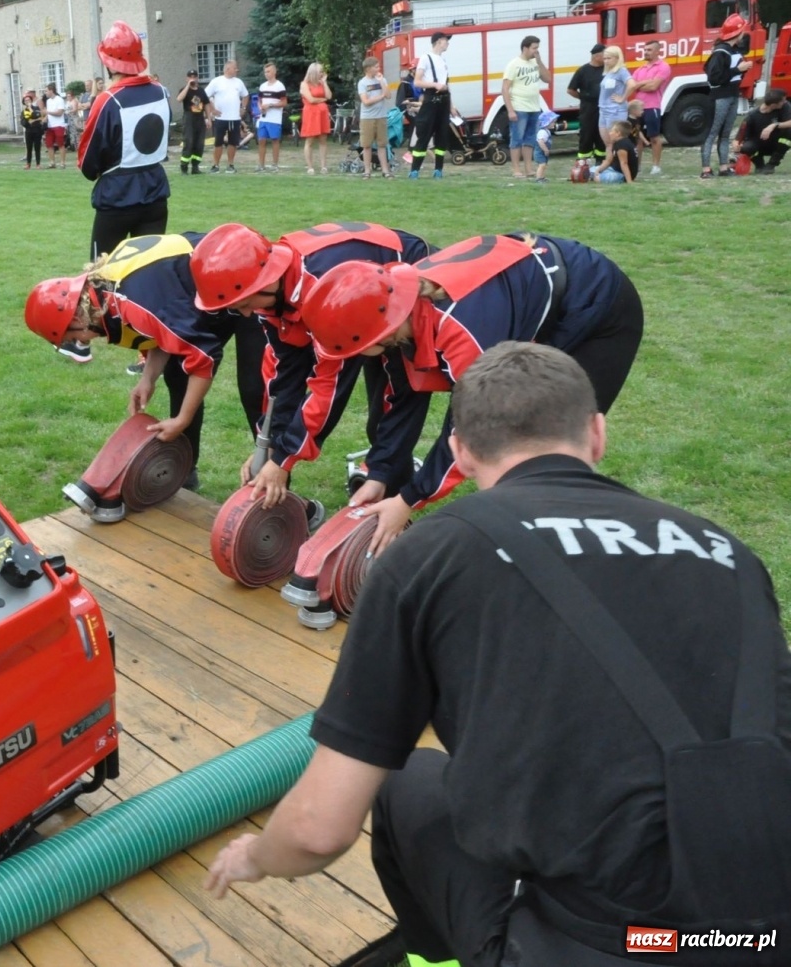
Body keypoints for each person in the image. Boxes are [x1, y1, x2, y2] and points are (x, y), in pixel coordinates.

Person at [206, 340, 791, 967]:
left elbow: (319, 829)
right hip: (764, 928)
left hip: (613, 944)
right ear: (597, 434)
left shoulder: (433, 555)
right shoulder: (727, 552)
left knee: (407, 783)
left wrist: (256, 856)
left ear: (458, 449)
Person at [298, 233, 644, 551]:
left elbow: (473, 428)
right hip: (540, 294)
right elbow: (401, 401)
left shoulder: (459, 328)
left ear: (377, 336)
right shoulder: (402, 306)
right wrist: (382, 474)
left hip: (597, 306)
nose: (355, 360)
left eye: (355, 351)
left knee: (550, 443)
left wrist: (408, 500)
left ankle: (563, 547)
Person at [189, 221, 431, 506]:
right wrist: (268, 444)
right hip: (361, 293)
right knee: (377, 418)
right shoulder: (274, 295)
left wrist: (283, 458)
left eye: (243, 304)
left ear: (265, 282)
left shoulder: (318, 287)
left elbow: (330, 386)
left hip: (403, 295)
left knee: (389, 410)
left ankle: (392, 508)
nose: (244, 315)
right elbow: (284, 373)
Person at [24, 230, 268, 489]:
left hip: (248, 279)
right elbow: (162, 330)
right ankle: (184, 471)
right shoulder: (103, 290)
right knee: (177, 375)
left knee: (257, 389)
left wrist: (183, 419)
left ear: (76, 317)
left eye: (72, 337)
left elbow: (203, 356)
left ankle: (273, 483)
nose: (80, 342)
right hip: (203, 290)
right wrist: (148, 379)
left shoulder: (131, 302)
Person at [78, 22, 172, 260]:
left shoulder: (107, 100)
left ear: (109, 63)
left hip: (117, 197)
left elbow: (88, 159)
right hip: (156, 192)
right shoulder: (161, 91)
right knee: (148, 270)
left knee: (103, 272)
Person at [701, 15, 752, 179]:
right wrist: (738, 70)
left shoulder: (733, 51)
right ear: (738, 32)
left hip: (732, 95)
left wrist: (743, 70)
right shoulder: (720, 52)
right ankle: (706, 169)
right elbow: (714, 78)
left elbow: (730, 76)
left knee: (725, 134)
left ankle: (724, 168)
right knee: (712, 133)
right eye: (742, 31)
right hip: (720, 97)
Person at [408, 33, 454, 178]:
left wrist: (452, 106)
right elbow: (417, 81)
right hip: (431, 98)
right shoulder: (425, 58)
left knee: (442, 136)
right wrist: (435, 84)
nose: (447, 43)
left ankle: (438, 170)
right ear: (439, 41)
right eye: (446, 40)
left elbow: (446, 84)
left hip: (444, 100)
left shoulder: (443, 60)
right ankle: (415, 170)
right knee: (424, 135)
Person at [502, 35, 546, 179]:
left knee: (530, 139)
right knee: (517, 139)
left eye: (537, 48)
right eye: (534, 48)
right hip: (519, 107)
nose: (536, 51)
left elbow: (548, 79)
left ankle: (528, 168)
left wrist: (539, 61)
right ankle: (516, 169)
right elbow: (505, 88)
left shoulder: (535, 63)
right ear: (525, 48)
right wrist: (510, 110)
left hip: (534, 107)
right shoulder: (514, 64)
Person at [628, 39, 672, 174]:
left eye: (649, 50)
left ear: (658, 51)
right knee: (636, 137)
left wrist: (639, 84)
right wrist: (644, 83)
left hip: (652, 106)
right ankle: (637, 165)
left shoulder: (663, 67)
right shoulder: (640, 68)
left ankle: (656, 166)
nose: (646, 52)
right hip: (636, 108)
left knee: (654, 137)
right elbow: (631, 86)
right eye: (645, 50)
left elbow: (654, 86)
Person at [203, 59, 248, 174]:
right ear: (228, 69)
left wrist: (243, 108)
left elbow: (246, 95)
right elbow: (205, 96)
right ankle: (215, 165)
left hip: (234, 118)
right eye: (234, 67)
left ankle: (230, 164)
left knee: (233, 143)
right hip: (220, 119)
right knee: (218, 143)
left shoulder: (239, 82)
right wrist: (212, 109)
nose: (237, 69)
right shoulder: (216, 81)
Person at [733, 87, 791, 174]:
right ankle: (760, 165)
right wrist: (736, 144)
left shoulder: (785, 107)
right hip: (759, 145)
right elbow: (740, 135)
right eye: (782, 101)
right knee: (746, 147)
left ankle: (771, 165)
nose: (785, 102)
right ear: (773, 105)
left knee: (789, 133)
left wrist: (774, 125)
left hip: (777, 143)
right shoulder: (752, 116)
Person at [566, 43, 606, 167]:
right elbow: (571, 89)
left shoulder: (607, 69)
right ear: (596, 56)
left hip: (604, 108)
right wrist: (584, 98)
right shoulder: (583, 71)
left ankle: (601, 161)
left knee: (602, 135)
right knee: (587, 135)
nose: (606, 58)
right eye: (604, 55)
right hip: (588, 109)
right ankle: (583, 162)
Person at [357, 58, 393, 178]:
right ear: (368, 69)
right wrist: (381, 96)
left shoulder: (382, 79)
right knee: (367, 145)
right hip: (367, 118)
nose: (379, 69)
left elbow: (388, 95)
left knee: (382, 145)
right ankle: (367, 171)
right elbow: (366, 101)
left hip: (381, 116)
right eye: (376, 67)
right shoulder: (362, 83)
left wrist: (382, 82)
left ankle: (385, 171)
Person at [596, 44, 630, 156]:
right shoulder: (609, 72)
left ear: (617, 58)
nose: (606, 61)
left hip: (615, 110)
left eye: (609, 58)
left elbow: (632, 84)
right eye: (604, 58)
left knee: (616, 142)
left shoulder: (621, 71)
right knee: (608, 143)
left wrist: (623, 98)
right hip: (603, 110)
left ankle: (619, 166)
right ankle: (609, 166)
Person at [298, 63, 332, 175]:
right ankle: (310, 166)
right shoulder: (304, 84)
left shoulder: (321, 84)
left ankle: (323, 166)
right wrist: (322, 100)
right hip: (311, 114)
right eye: (320, 71)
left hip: (322, 114)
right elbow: (311, 100)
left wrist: (325, 83)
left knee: (323, 140)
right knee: (310, 141)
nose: (322, 74)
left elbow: (329, 96)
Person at [254, 62, 287, 172]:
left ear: (274, 72)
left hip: (275, 119)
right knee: (262, 140)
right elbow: (259, 100)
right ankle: (261, 165)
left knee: (275, 140)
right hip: (263, 118)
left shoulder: (279, 86)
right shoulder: (263, 86)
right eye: (265, 72)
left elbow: (284, 102)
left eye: (268, 71)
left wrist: (271, 105)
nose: (266, 74)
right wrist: (260, 107)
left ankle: (274, 164)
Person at [176, 70, 209, 174]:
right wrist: (188, 86)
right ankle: (184, 167)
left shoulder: (201, 91)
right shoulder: (184, 90)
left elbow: (206, 104)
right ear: (187, 78)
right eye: (190, 76)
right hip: (189, 118)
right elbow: (179, 99)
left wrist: (208, 118)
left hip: (200, 118)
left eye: (194, 76)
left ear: (197, 78)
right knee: (189, 142)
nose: (193, 78)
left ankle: (195, 167)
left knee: (199, 144)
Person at [596, 119, 640, 183]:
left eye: (611, 131)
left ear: (618, 134)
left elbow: (624, 163)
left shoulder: (622, 145)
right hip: (614, 170)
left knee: (600, 178)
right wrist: (598, 170)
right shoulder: (617, 143)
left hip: (621, 175)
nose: (609, 133)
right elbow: (608, 161)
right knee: (593, 170)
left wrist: (629, 181)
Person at [532, 105, 559, 183]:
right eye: (553, 122)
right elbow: (541, 142)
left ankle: (542, 177)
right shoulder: (542, 132)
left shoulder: (547, 131)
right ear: (547, 123)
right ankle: (538, 178)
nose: (554, 124)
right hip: (540, 152)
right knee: (542, 165)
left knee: (544, 165)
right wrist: (545, 149)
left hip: (543, 152)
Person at [21, 89, 45, 169]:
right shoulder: (24, 111)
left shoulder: (36, 108)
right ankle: (28, 163)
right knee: (29, 148)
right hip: (29, 131)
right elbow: (23, 121)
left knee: (37, 148)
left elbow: (37, 115)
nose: (27, 101)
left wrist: (33, 117)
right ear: (24, 102)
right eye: (25, 100)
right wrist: (29, 122)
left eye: (28, 100)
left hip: (37, 130)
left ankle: (38, 164)